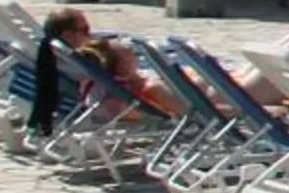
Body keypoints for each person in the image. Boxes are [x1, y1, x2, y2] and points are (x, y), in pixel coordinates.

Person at [31, 8, 182, 124]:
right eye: (85, 30)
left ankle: (193, 114)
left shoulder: (58, 57)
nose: (90, 34)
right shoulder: (82, 61)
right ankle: (194, 118)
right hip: (117, 103)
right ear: (68, 36)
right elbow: (122, 76)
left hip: (111, 100)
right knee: (160, 86)